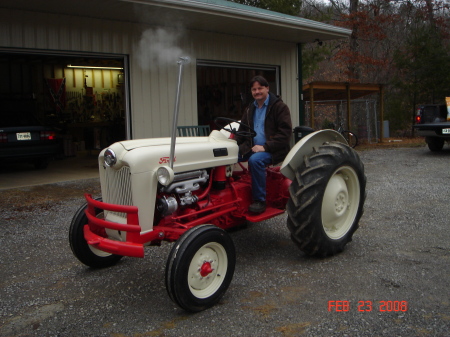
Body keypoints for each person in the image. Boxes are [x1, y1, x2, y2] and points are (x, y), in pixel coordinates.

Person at [235, 76, 292, 214]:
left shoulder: (279, 107)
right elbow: (242, 130)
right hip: (251, 146)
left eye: (260, 88)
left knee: (255, 161)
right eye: (254, 89)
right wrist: (233, 145)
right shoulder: (250, 109)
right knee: (228, 157)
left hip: (274, 149)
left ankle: (259, 200)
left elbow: (284, 134)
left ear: (267, 88)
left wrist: (265, 147)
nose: (257, 92)